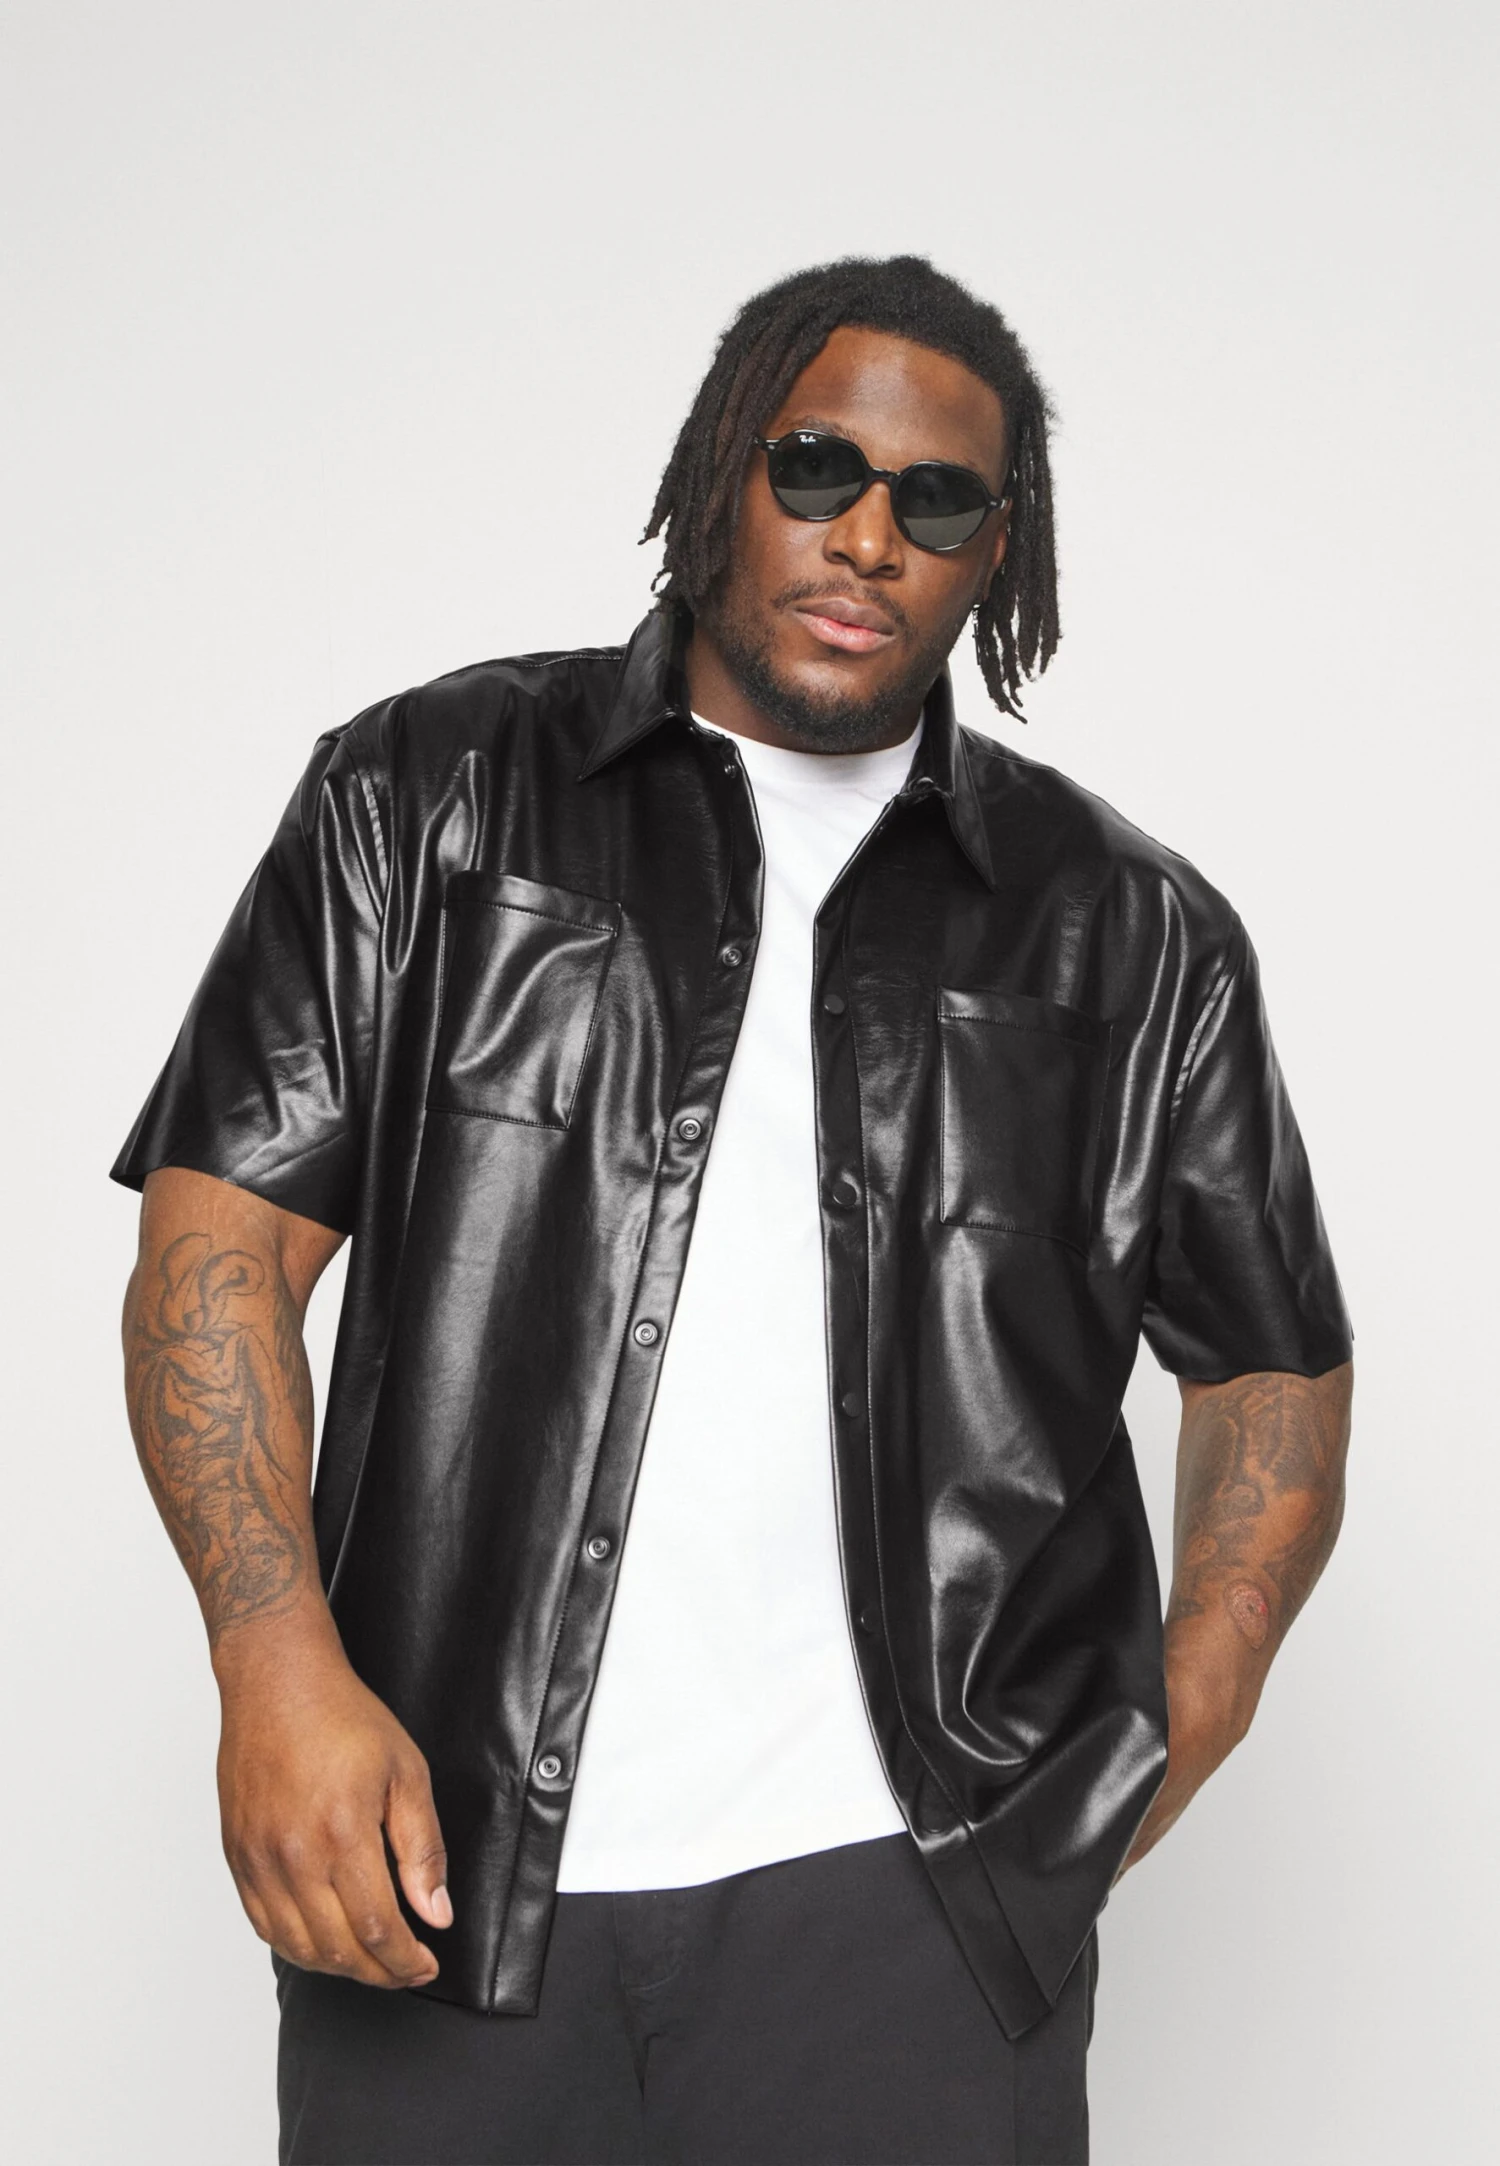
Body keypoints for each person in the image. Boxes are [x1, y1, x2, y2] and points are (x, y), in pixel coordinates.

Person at [114, 254, 1353, 2166]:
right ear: (720, 471)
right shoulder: (428, 796)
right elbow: (218, 1249)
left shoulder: (1130, 930)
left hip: (912, 1916)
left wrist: (1161, 1727)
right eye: (816, 466)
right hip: (442, 1873)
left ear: (997, 551)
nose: (868, 536)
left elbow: (1270, 1363)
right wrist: (272, 1664)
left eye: (938, 501)